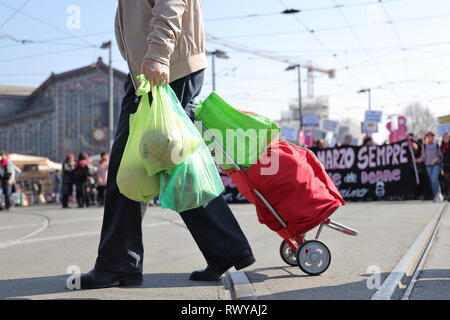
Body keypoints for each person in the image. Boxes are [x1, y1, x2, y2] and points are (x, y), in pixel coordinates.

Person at [78, 0, 255, 289]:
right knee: (173, 165)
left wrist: (158, 53)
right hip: (150, 69)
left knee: (133, 164)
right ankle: (226, 248)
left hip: (164, 66)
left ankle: (119, 263)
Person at [418, 132, 443, 202]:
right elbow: (423, 157)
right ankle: (436, 195)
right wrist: (417, 160)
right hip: (428, 165)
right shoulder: (424, 146)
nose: (429, 138)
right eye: (428, 137)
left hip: (436, 165)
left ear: (433, 137)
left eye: (431, 136)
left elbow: (441, 156)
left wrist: (436, 159)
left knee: (434, 178)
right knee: (432, 181)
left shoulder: (437, 145)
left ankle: (439, 193)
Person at [441, 132, 450, 201]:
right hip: (445, 165)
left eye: (447, 137)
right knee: (447, 180)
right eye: (444, 137)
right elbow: (440, 157)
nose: (445, 138)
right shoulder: (441, 147)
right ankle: (448, 193)